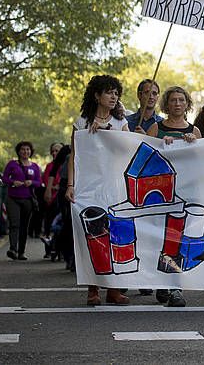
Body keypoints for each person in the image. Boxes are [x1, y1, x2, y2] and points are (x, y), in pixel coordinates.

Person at [66, 74, 130, 306]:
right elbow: (74, 155)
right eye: (109, 92)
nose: (114, 97)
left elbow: (126, 146)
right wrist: (70, 185)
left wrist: (105, 129)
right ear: (96, 95)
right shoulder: (81, 121)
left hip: (114, 186)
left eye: (116, 93)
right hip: (88, 187)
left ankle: (113, 289)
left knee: (114, 235)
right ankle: (93, 288)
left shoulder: (119, 122)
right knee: (93, 234)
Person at [146, 86, 200, 307]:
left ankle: (175, 286)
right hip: (160, 192)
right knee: (158, 236)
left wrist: (193, 144)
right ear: (166, 104)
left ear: (187, 104)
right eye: (173, 100)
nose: (177, 104)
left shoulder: (195, 131)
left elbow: (202, 161)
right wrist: (160, 143)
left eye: (181, 100)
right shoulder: (156, 128)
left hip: (185, 191)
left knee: (176, 238)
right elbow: (146, 154)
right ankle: (161, 281)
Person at [2, 141, 42, 261]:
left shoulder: (34, 166)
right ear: (19, 151)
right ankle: (13, 249)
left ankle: (21, 252)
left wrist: (32, 183)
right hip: (13, 198)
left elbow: (39, 183)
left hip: (28, 199)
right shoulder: (12, 164)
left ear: (31, 151)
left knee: (24, 225)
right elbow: (4, 178)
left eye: (28, 149)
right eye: (23, 149)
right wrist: (12, 182)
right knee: (14, 224)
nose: (25, 152)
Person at [41, 142, 64, 258]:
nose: (55, 153)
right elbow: (46, 180)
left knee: (60, 223)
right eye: (53, 151)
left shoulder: (66, 164)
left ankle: (58, 249)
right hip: (50, 198)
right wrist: (52, 188)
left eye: (57, 151)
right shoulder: (50, 166)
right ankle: (48, 249)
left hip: (62, 197)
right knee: (49, 222)